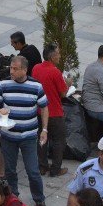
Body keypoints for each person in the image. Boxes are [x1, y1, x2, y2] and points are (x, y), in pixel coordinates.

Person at [0, 56, 48, 206]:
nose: (11, 71)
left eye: (15, 69)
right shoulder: (4, 85)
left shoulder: (36, 86)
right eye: (10, 68)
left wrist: (45, 129)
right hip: (8, 136)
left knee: (33, 171)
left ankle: (39, 198)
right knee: (10, 170)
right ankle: (13, 196)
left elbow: (44, 108)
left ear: (24, 70)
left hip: (29, 137)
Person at [32, 42, 68, 177]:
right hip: (54, 112)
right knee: (59, 140)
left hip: (39, 111)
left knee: (41, 139)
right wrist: (68, 84)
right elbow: (63, 93)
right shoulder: (55, 72)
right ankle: (56, 169)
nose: (60, 56)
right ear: (52, 57)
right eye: (58, 53)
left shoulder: (36, 68)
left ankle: (42, 166)